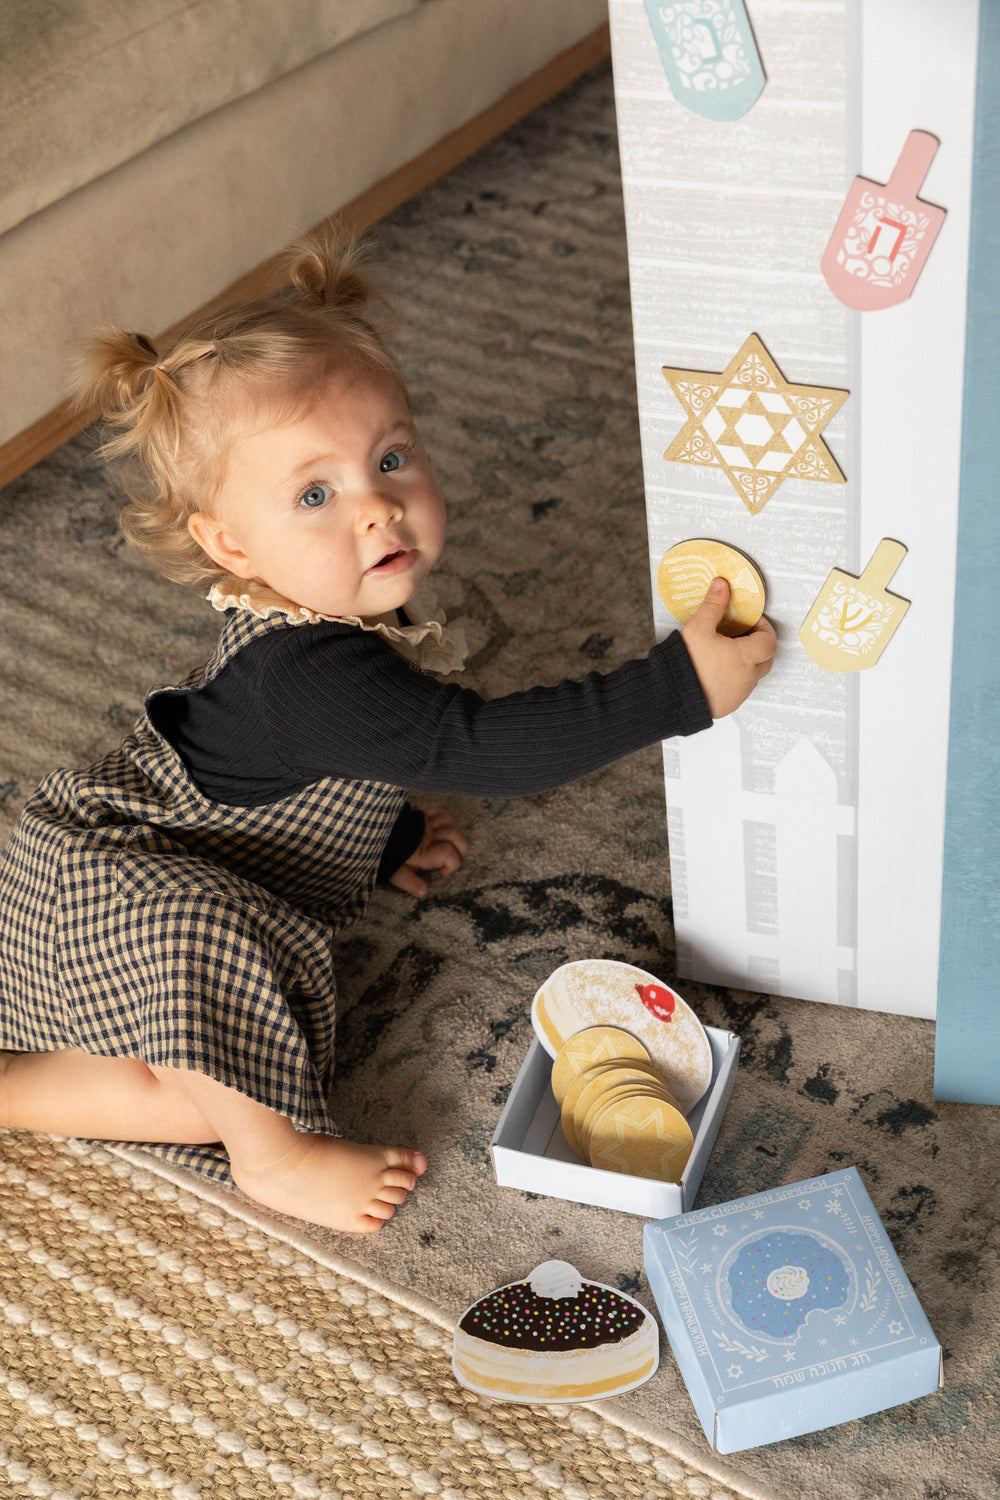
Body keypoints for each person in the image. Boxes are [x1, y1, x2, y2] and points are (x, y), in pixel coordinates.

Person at [0, 226, 776, 1235]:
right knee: (243, 1089)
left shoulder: (322, 621)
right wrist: (677, 688)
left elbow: (299, 772)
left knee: (198, 1092)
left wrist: (388, 835)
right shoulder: (313, 673)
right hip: (115, 893)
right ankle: (272, 1160)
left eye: (392, 458)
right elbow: (479, 746)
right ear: (230, 545)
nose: (378, 508)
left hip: (168, 864)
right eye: (315, 494)